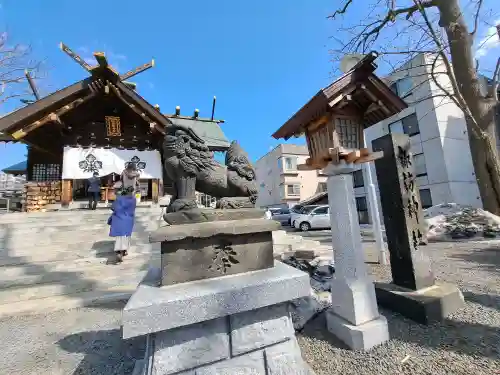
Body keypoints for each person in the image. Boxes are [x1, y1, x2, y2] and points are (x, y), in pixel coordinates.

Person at [107, 185, 136, 264]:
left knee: (119, 236)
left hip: (118, 218)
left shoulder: (119, 198)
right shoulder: (133, 199)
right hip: (128, 218)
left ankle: (119, 252)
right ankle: (124, 250)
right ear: (132, 192)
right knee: (126, 235)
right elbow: (133, 208)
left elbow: (113, 207)